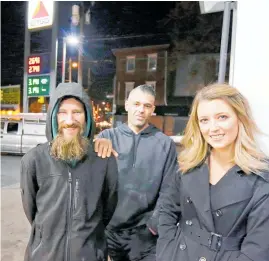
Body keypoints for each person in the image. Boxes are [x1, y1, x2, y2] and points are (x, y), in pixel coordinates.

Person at [156, 83, 269, 261]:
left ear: (240, 118)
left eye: (222, 117)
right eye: (204, 120)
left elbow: (258, 250)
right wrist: (167, 251)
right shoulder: (189, 163)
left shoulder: (262, 177)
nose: (213, 128)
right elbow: (167, 209)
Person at [20, 82, 118, 261]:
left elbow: (108, 209)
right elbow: (32, 211)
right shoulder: (33, 160)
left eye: (77, 112)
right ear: (53, 117)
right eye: (62, 112)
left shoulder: (104, 160)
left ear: (87, 116)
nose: (70, 120)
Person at [98, 84, 178, 261]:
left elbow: (170, 190)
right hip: (109, 233)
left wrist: (153, 227)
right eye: (136, 104)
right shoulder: (107, 138)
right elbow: (92, 184)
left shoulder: (165, 145)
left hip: (145, 236)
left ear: (153, 110)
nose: (141, 110)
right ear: (126, 105)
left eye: (147, 106)